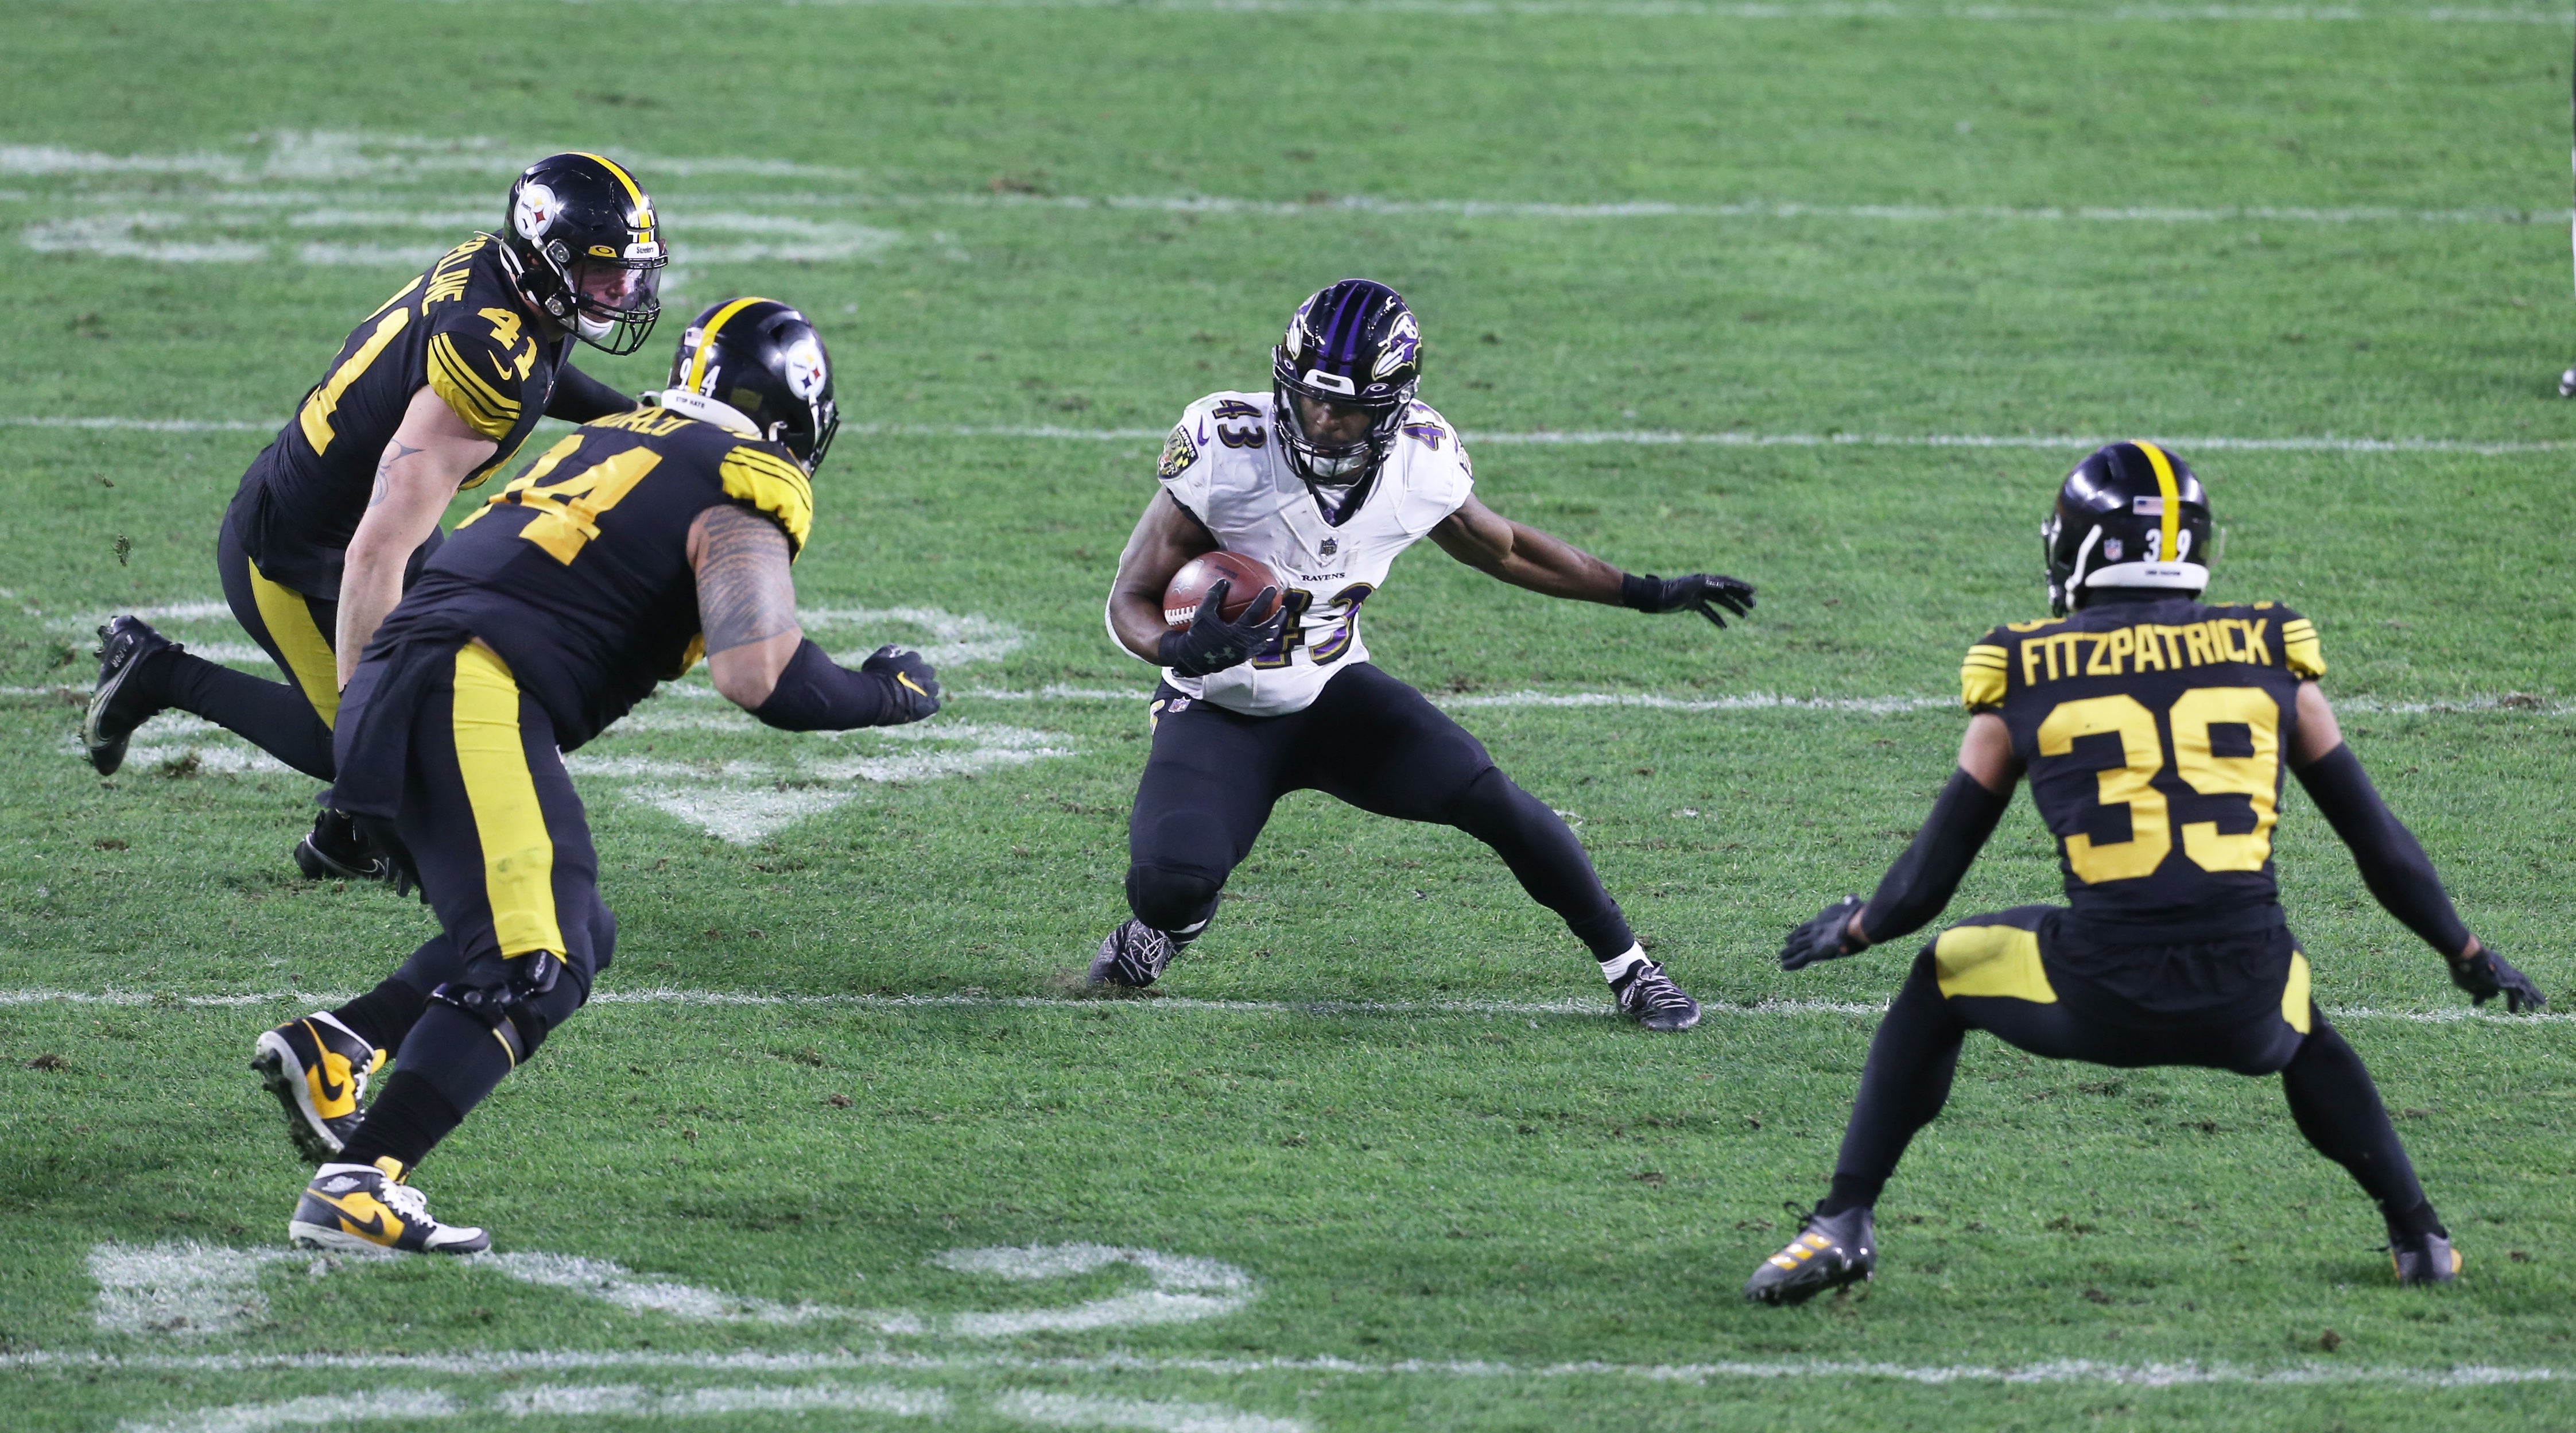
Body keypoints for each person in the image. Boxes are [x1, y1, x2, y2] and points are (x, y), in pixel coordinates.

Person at [1744, 441, 2546, 1304]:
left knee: (1941, 973)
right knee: (2298, 1011)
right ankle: (2419, 1235)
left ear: (2083, 548)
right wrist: (2466, 952)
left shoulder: (2023, 667)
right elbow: (2380, 845)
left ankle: (1844, 1219)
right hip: (2249, 1005)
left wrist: (1860, 926)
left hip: (2099, 994)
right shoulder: (2271, 652)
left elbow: (1932, 875)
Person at [280, 298, 941, 1252]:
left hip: (396, 676)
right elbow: (761, 675)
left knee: (578, 925)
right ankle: (358, 1183)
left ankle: (340, 1041)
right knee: (534, 958)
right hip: (468, 683)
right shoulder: (741, 478)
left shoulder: (616, 435)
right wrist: (889, 693)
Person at [1092, 278, 1755, 1031]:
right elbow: (1128, 599)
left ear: (1394, 407)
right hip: (1215, 709)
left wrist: (1644, 592)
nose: (1324, 420)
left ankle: (1631, 968)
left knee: (1493, 799)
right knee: (1168, 884)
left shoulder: (1419, 463)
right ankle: (1164, 929)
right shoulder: (1226, 451)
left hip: (1333, 694)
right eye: (1311, 399)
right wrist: (1179, 645)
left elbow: (1507, 550)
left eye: (1348, 409)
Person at [81, 152, 666, 888]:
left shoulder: (507, 281)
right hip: (305, 555)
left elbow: (539, 367)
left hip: (379, 520)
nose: (623, 291)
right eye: (603, 271)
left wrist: (633, 418)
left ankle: (341, 841)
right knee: (358, 740)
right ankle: (154, 672)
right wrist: (370, 744)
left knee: (460, 673)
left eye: (631, 272)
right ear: (545, 257)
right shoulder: (481, 368)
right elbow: (373, 557)